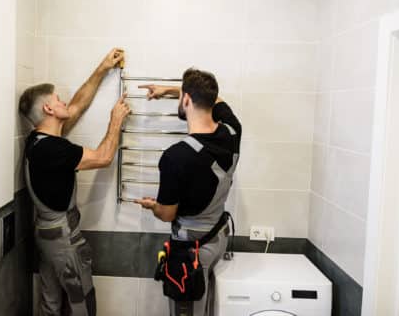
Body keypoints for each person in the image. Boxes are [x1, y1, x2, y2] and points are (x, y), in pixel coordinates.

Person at [18, 48, 130, 316]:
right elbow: (103, 157)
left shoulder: (39, 141)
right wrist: (115, 121)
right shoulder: (53, 150)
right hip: (64, 240)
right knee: (82, 304)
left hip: (47, 235)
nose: (65, 102)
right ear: (48, 108)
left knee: (51, 305)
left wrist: (102, 67)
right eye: (58, 99)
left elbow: (78, 105)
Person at [135, 68, 241, 316]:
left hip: (191, 250)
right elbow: (216, 99)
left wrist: (153, 206)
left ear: (186, 100)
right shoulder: (233, 132)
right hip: (218, 237)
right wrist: (172, 91)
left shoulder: (176, 157)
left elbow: (167, 214)